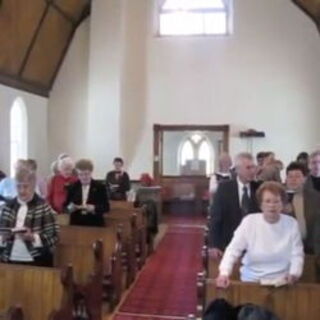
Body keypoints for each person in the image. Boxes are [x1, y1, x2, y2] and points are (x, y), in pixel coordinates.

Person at [216, 182, 304, 288]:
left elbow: (297, 254)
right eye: (267, 201)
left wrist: (294, 273)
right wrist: (224, 273)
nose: (272, 205)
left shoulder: (291, 224)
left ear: (283, 204)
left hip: (282, 283)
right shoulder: (249, 222)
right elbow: (233, 249)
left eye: (276, 201)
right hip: (251, 282)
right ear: (261, 205)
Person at [0, 168, 59, 267]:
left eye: (25, 187)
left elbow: (54, 237)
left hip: (35, 260)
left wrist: (33, 237)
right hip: (9, 259)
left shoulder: (43, 207)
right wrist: (3, 237)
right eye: (18, 187)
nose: (22, 191)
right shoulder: (8, 207)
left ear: (33, 186)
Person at [209, 153, 260, 259]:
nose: (252, 171)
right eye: (248, 168)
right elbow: (215, 218)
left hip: (255, 245)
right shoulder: (224, 188)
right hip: (229, 243)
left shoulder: (260, 188)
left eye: (253, 167)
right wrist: (214, 245)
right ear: (237, 170)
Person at [284, 161, 320, 254]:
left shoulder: (315, 197)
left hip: (311, 248)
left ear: (304, 178)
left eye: (297, 176)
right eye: (290, 176)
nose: (293, 179)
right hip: (287, 249)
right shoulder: (279, 197)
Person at [64, 159, 109, 227]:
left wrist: (94, 208)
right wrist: (70, 208)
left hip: (95, 223)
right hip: (76, 223)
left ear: (91, 172)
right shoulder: (72, 187)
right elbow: (65, 206)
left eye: (86, 174)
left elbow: (106, 207)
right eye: (81, 174)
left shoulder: (100, 187)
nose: (84, 177)